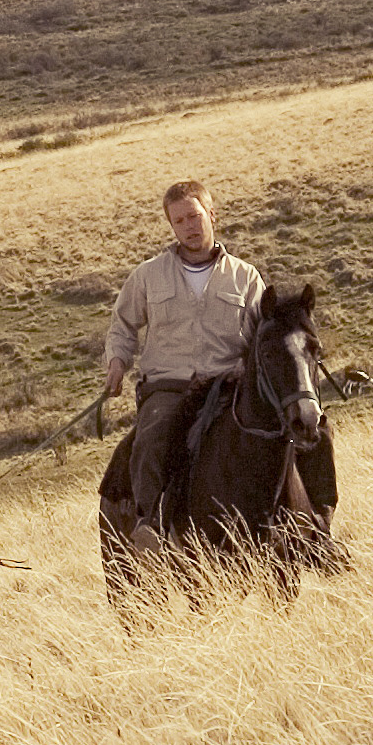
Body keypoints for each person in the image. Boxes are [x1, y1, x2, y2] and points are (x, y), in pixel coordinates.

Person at [94, 178, 267, 534]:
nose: (189, 226)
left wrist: (249, 369)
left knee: (293, 433)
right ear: (171, 226)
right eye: (180, 221)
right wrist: (116, 364)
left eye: (194, 216)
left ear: (211, 214)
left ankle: (313, 528)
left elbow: (261, 336)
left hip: (229, 385)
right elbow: (122, 326)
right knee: (151, 439)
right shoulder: (148, 275)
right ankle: (150, 525)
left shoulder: (246, 277)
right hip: (169, 387)